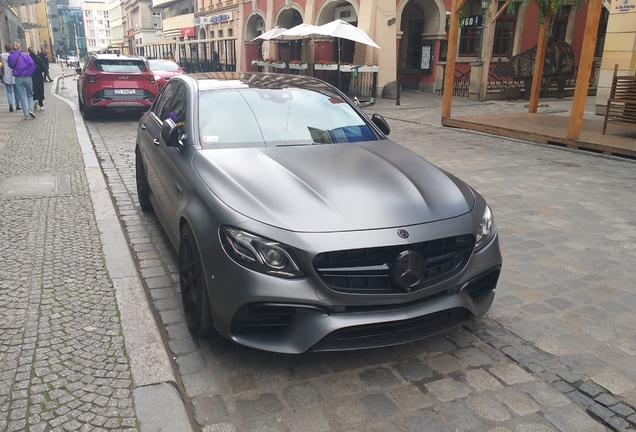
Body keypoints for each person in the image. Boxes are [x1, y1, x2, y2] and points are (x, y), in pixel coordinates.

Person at [7, 41, 36, 119]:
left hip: (18, 78)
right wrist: (27, 72)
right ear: (20, 47)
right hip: (27, 77)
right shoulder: (25, 55)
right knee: (30, 94)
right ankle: (30, 109)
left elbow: (10, 66)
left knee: (21, 96)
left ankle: (26, 115)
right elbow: (33, 65)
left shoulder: (10, 56)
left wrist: (18, 70)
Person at [1, 43, 21, 112]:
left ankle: (10, 104)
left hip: (6, 75)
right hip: (14, 75)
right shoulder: (14, 56)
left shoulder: (2, 56)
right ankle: (17, 105)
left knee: (9, 92)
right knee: (16, 91)